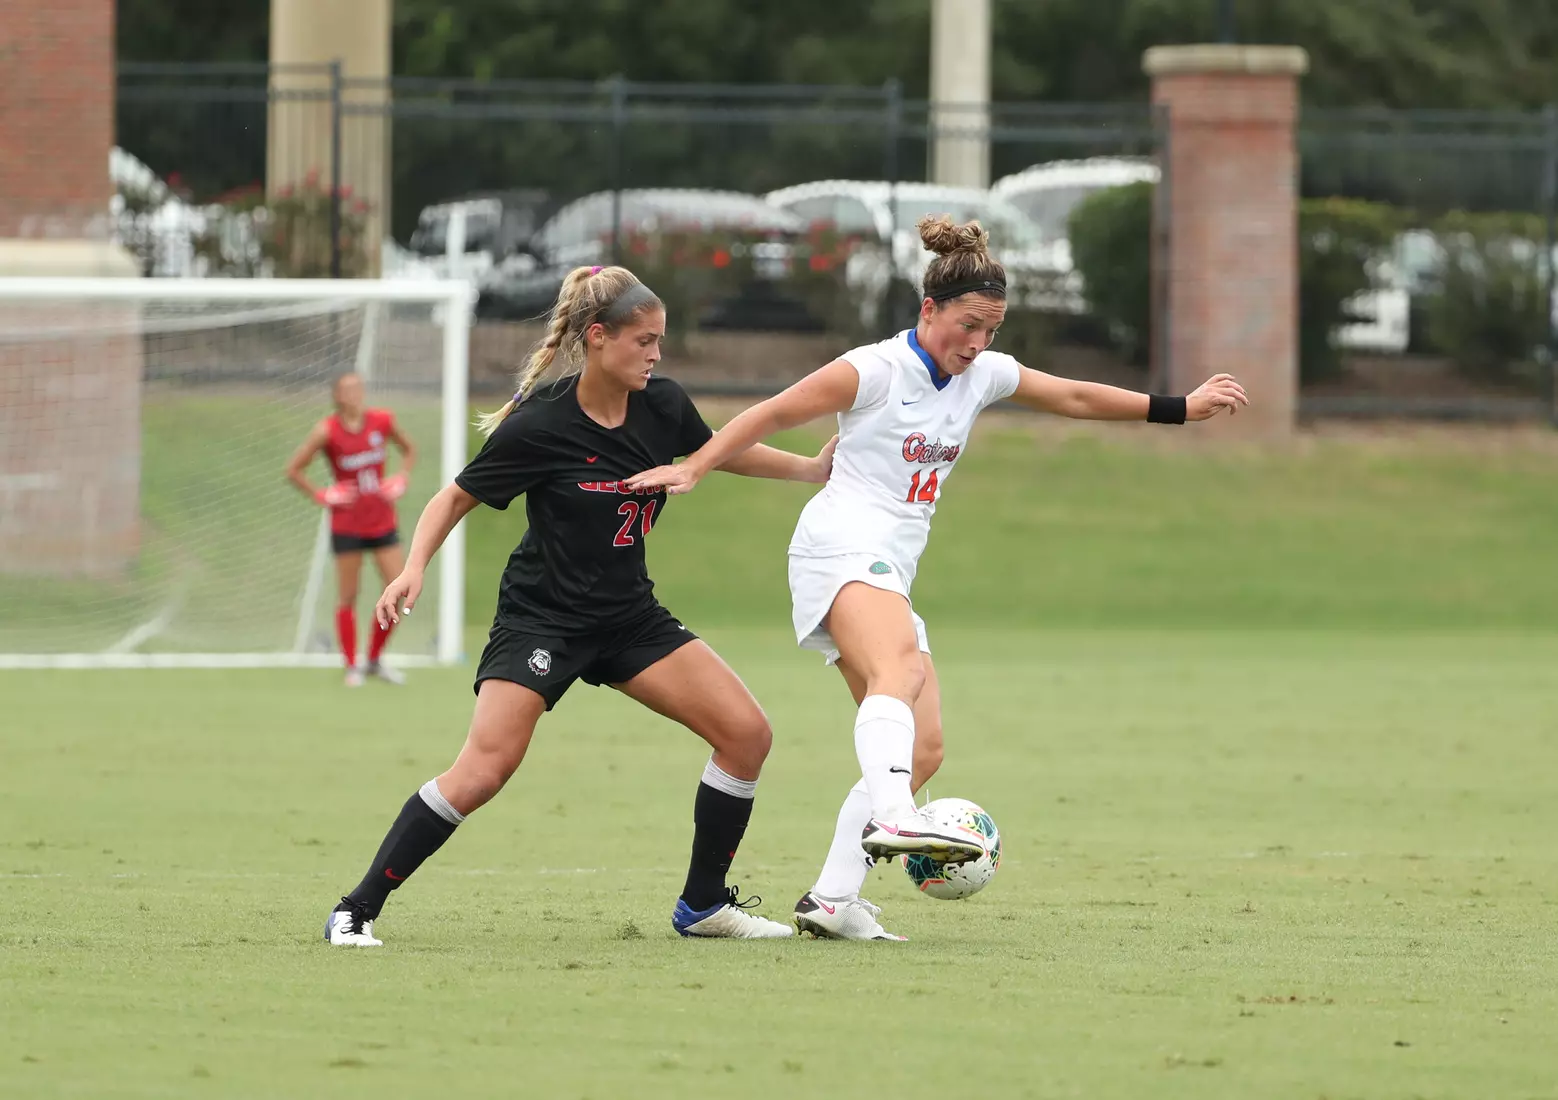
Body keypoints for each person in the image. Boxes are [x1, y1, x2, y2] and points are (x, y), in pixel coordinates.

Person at [626, 216, 1248, 940]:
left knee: (924, 747)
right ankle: (896, 816)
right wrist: (695, 467)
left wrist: (1182, 409)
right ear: (929, 311)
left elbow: (1077, 397)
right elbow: (770, 412)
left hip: (888, 565)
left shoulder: (982, 376)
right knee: (899, 669)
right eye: (969, 325)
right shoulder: (874, 370)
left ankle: (832, 899)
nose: (979, 342)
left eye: (992, 329)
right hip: (841, 547)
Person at [324, 264, 837, 947]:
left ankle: (704, 905)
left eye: (661, 341)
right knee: (484, 770)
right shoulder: (540, 425)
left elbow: (717, 452)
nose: (656, 354)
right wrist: (413, 567)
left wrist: (808, 469)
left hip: (629, 618)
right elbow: (453, 498)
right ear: (598, 338)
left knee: (747, 734)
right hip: (543, 619)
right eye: (643, 341)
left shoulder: (662, 403)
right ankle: (355, 909)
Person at [285, 372, 416, 687]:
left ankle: (373, 659)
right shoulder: (327, 431)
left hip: (382, 519)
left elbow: (409, 450)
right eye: (348, 390)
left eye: (358, 388)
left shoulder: (382, 421)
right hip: (347, 523)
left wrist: (400, 478)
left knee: (398, 588)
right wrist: (323, 494)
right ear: (337, 396)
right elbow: (293, 470)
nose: (355, 394)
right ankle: (351, 665)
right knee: (349, 594)